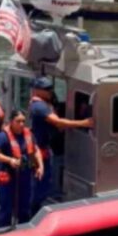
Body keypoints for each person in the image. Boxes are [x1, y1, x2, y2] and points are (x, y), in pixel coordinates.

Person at [28, 77, 92, 214]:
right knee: (39, 184)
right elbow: (58, 123)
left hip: (45, 147)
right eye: (47, 89)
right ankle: (32, 213)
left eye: (50, 88)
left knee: (45, 182)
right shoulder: (38, 107)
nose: (50, 91)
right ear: (37, 91)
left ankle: (36, 206)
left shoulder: (45, 104)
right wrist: (84, 123)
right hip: (39, 149)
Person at [0, 110, 43, 228]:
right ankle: (3, 234)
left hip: (25, 175)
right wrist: (10, 160)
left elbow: (36, 150)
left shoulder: (28, 134)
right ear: (11, 122)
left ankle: (23, 232)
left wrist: (40, 166)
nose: (21, 124)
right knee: (6, 209)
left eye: (23, 121)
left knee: (24, 208)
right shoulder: (3, 136)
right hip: (8, 177)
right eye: (18, 121)